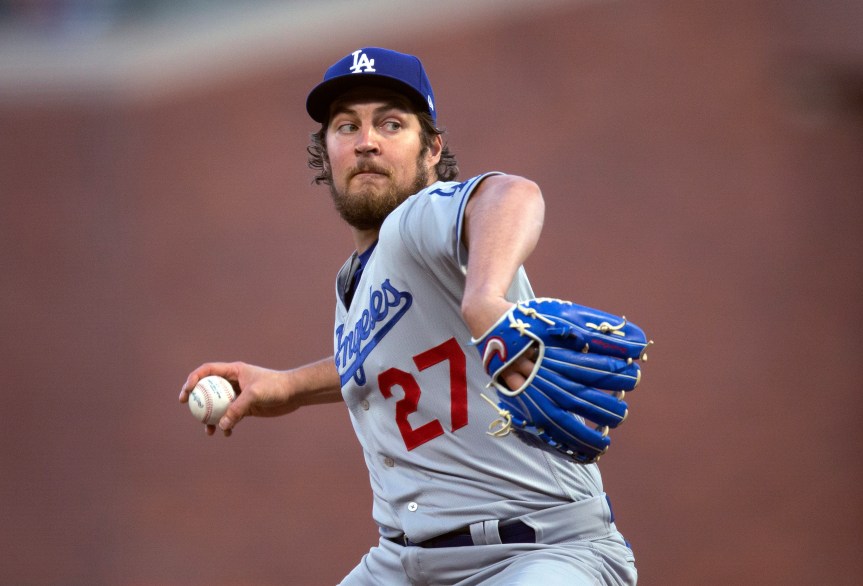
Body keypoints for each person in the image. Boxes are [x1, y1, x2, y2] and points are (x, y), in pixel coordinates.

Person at [179, 47, 638, 585]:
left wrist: (486, 299)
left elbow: (511, 193)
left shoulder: (420, 220)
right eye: (346, 126)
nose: (365, 140)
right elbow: (390, 361)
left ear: (431, 149)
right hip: (401, 564)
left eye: (390, 123)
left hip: (538, 553)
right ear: (325, 154)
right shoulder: (354, 281)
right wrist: (288, 386)